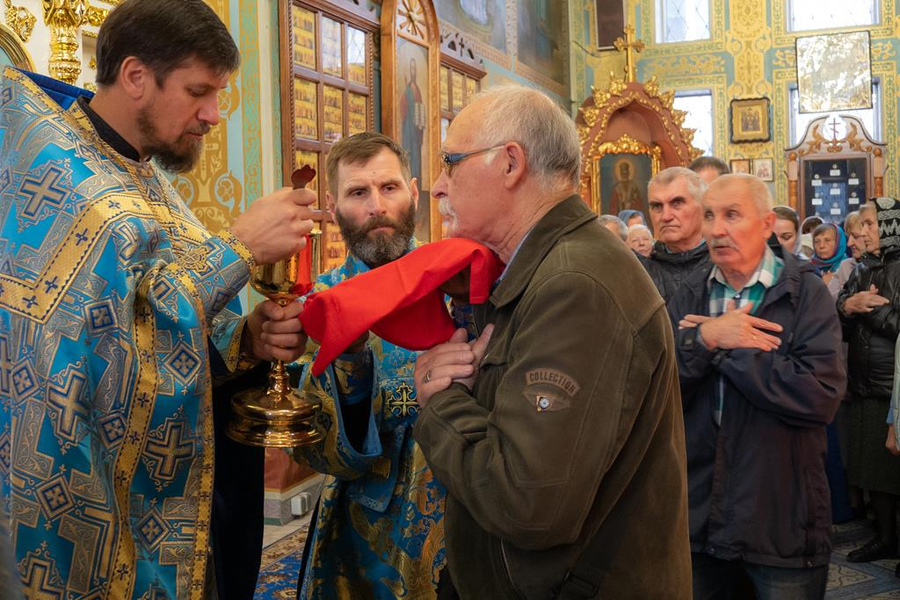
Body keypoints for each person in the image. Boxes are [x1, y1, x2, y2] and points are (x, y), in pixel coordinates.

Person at [0, 0, 315, 596]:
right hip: (89, 496)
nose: (214, 114)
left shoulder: (144, 176)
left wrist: (243, 340)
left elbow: (163, 309)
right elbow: (105, 338)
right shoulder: (71, 181)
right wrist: (240, 246)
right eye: (199, 92)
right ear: (137, 76)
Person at [412, 85, 691, 598]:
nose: (436, 186)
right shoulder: (545, 268)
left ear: (510, 164)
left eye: (451, 163)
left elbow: (528, 503)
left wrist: (440, 400)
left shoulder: (575, 284)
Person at [287, 132, 447, 598]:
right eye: (359, 192)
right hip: (367, 525)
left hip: (465, 509)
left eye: (389, 188)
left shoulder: (454, 276)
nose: (377, 205)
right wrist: (367, 376)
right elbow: (310, 445)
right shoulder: (319, 304)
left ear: (414, 192)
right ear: (334, 206)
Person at [669, 173, 845, 599]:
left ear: (767, 224)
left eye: (732, 215)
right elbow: (657, 388)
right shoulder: (690, 290)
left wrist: (727, 347)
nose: (716, 229)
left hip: (779, 515)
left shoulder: (804, 293)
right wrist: (708, 338)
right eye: (709, 215)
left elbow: (819, 395)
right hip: (700, 514)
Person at [838, 198, 900, 564]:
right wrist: (847, 307)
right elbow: (844, 320)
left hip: (892, 388)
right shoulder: (862, 268)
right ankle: (885, 538)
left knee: (893, 471)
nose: (861, 232)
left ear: (891, 226)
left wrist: (871, 309)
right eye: (860, 224)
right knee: (873, 472)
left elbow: (897, 328)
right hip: (863, 382)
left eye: (870, 224)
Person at [640, 166, 710, 302]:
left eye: (677, 203)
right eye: (657, 206)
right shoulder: (640, 273)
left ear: (703, 207)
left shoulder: (726, 264)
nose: (666, 216)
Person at [399, 57, 425, 182]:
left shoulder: (417, 90)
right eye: (412, 69)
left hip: (416, 130)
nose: (413, 72)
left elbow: (420, 108)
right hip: (408, 128)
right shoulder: (407, 90)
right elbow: (403, 110)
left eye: (415, 69)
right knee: (409, 152)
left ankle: (416, 179)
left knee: (416, 154)